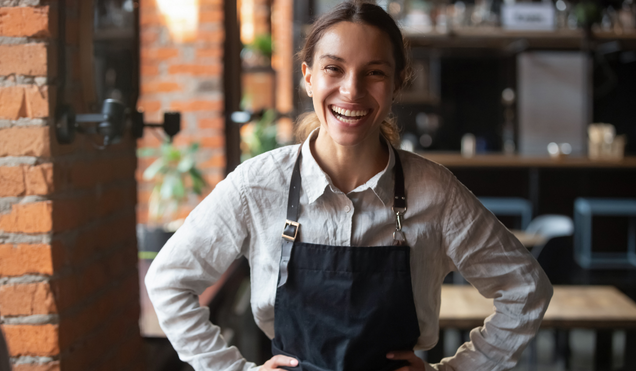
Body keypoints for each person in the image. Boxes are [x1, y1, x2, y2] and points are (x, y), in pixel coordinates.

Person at [145, 1, 553, 370]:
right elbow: (169, 281)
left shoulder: (435, 191)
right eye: (333, 68)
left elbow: (525, 288)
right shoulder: (258, 184)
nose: (352, 89)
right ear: (308, 77)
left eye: (374, 72)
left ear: (396, 85)